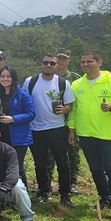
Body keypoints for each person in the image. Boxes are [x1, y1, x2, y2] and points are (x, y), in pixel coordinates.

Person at [68, 51, 111, 221]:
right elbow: (74, 110)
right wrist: (72, 129)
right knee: (96, 169)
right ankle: (105, 198)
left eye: (89, 61)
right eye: (83, 62)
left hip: (108, 135)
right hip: (86, 134)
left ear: (99, 62)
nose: (85, 64)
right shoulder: (77, 84)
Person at [23, 53, 75, 207]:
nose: (48, 66)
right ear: (41, 63)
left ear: (57, 65)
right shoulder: (30, 82)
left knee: (62, 163)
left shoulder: (62, 83)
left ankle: (65, 194)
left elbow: (70, 105)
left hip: (57, 128)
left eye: (52, 63)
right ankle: (44, 191)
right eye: (46, 62)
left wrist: (65, 109)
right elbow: (24, 100)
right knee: (40, 163)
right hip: (36, 128)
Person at [0, 66, 35, 187]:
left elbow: (31, 114)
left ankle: (23, 195)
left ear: (14, 79)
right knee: (4, 165)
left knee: (17, 166)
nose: (5, 79)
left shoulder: (22, 95)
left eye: (8, 76)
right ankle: (8, 194)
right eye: (2, 76)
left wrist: (13, 119)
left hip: (19, 137)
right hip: (3, 135)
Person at [52, 48, 82, 195]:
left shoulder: (75, 79)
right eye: (59, 58)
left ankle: (73, 182)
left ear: (69, 60)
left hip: (70, 121)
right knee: (49, 154)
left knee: (73, 153)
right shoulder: (48, 76)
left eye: (64, 58)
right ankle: (47, 181)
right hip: (51, 122)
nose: (61, 61)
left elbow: (77, 103)